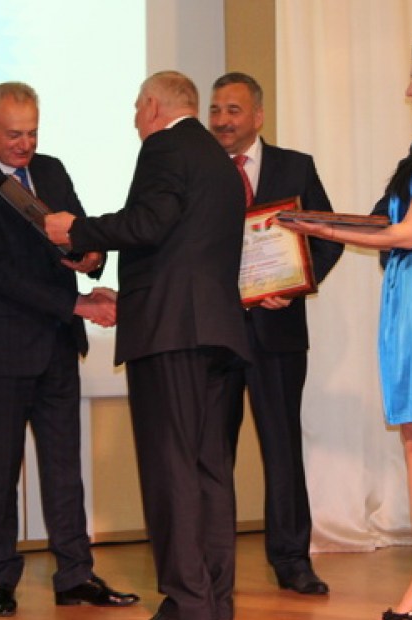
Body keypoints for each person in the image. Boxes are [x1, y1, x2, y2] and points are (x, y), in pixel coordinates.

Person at [279, 31, 412, 620]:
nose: (409, 90)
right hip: (410, 289)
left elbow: (408, 231)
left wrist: (320, 230)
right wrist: (314, 220)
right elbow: (384, 222)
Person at [42, 71, 250, 620]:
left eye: (137, 109)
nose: (135, 120)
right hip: (217, 332)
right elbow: (180, 240)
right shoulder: (218, 158)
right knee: (209, 470)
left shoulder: (164, 146)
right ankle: (213, 599)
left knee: (171, 468)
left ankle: (187, 601)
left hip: (171, 334)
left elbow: (149, 223)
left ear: (154, 106)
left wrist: (78, 230)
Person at [0, 82, 137, 616]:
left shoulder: (50, 170)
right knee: (0, 473)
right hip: (0, 351)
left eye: (32, 132)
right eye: (13, 135)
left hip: (55, 347)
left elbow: (81, 232)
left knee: (64, 469)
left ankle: (75, 575)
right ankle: (1, 578)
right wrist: (77, 305)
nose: (25, 144)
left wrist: (91, 259)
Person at [208, 71, 344, 595]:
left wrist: (295, 285)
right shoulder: (199, 168)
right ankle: (210, 565)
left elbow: (328, 237)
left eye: (233, 110)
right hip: (216, 333)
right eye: (216, 109)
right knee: (212, 454)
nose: (222, 120)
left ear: (258, 116)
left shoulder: (295, 166)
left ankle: (292, 562)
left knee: (283, 450)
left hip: (278, 331)